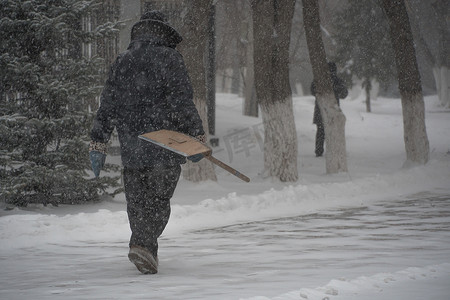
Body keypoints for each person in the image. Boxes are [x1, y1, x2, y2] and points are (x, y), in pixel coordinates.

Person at [89, 11, 205, 274]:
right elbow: (182, 101)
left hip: (133, 148)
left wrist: (99, 141)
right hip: (165, 147)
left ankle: (143, 249)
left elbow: (107, 105)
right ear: (163, 32)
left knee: (138, 202)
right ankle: (142, 246)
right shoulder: (171, 58)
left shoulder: (122, 60)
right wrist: (196, 136)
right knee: (158, 201)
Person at [310, 62, 348, 157]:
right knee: (332, 131)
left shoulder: (319, 79)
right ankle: (334, 150)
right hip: (332, 110)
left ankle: (319, 151)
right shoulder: (337, 81)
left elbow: (312, 91)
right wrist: (336, 89)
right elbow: (344, 94)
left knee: (320, 132)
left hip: (320, 110)